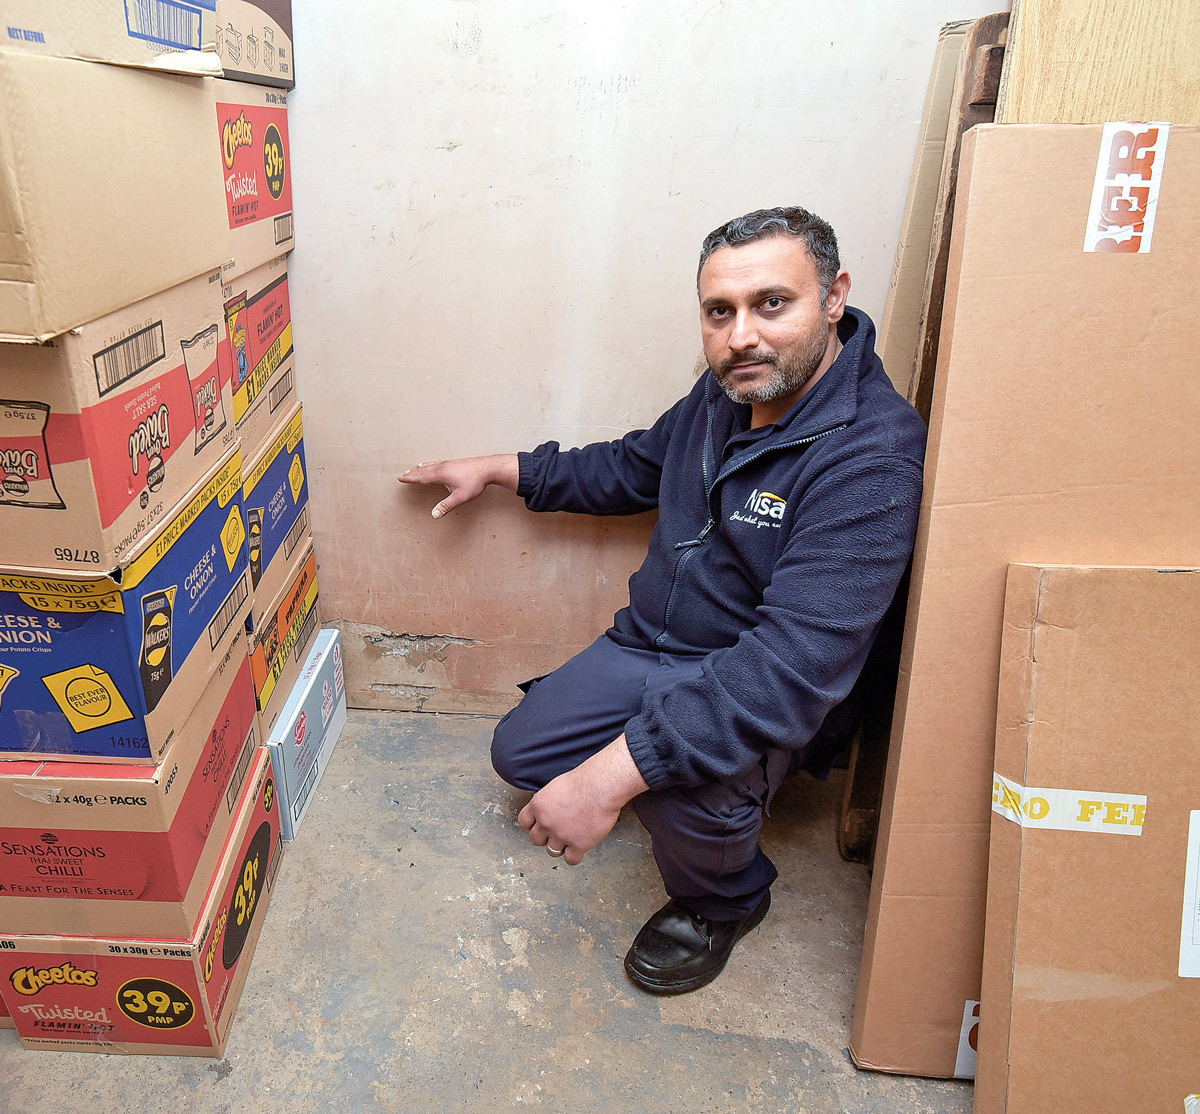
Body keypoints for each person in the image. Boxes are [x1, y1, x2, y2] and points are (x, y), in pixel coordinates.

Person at [398, 206, 926, 995]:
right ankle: (662, 758)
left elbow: (785, 670)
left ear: (835, 295)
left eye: (771, 303)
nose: (741, 335)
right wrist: (505, 468)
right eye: (720, 312)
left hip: (745, 679)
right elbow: (636, 466)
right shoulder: (729, 392)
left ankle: (727, 896)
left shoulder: (872, 457)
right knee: (522, 756)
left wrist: (610, 781)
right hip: (649, 646)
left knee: (679, 798)